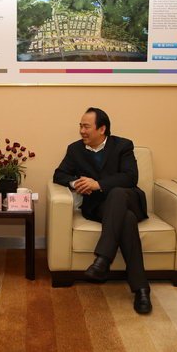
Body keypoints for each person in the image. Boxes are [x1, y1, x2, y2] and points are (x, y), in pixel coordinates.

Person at [53, 107, 152, 314]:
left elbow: (130, 177)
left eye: (86, 126)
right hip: (100, 207)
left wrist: (98, 184)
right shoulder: (75, 149)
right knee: (127, 220)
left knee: (117, 193)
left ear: (102, 129)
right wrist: (75, 183)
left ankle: (103, 259)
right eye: (80, 126)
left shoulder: (123, 145)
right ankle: (141, 289)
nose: (82, 131)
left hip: (128, 199)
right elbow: (59, 174)